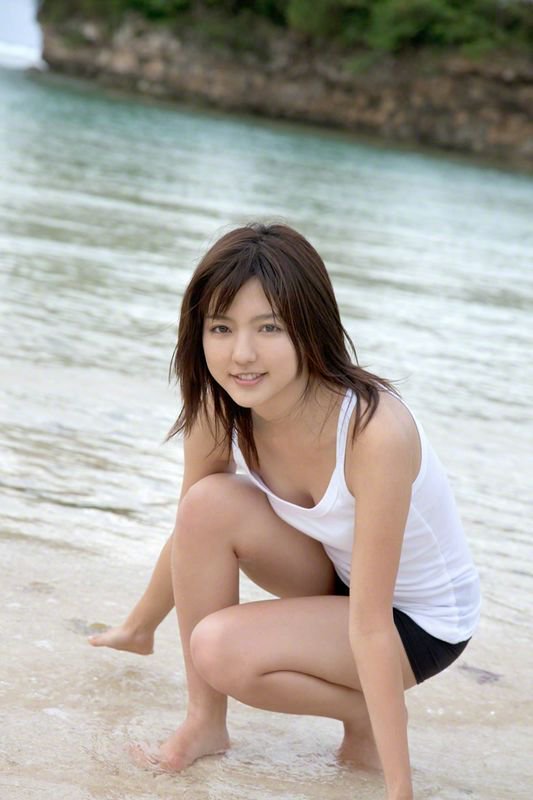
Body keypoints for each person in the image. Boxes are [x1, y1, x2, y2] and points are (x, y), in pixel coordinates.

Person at [89, 223, 481, 800]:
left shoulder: (374, 432)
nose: (241, 354)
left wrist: (400, 790)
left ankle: (363, 717)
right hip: (338, 575)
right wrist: (140, 625)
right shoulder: (221, 408)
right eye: (221, 328)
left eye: (268, 327)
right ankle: (204, 724)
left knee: (219, 647)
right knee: (208, 502)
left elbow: (371, 623)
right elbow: (190, 532)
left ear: (310, 327)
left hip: (419, 622)